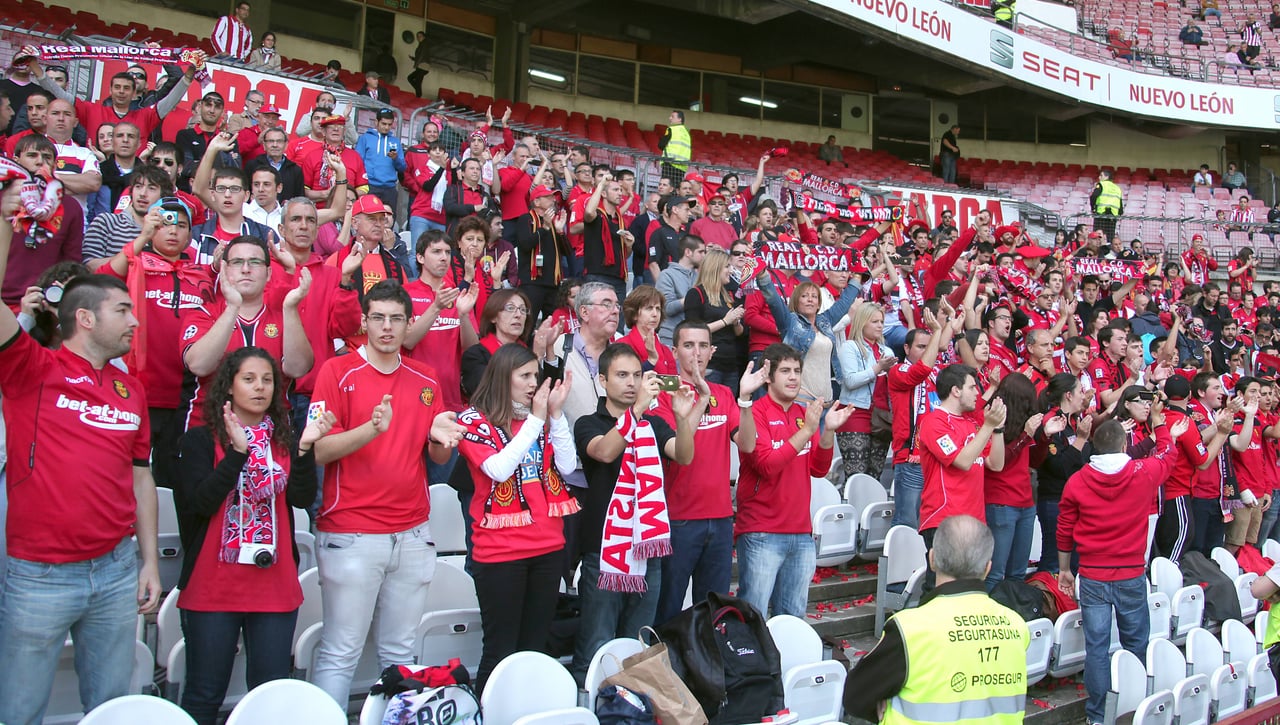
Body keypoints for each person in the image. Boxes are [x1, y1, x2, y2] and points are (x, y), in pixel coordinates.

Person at [0, 246, 161, 724]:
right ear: (85, 318)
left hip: (114, 571)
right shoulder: (33, 369)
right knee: (19, 711)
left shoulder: (131, 388)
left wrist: (149, 561)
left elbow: (141, 476)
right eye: (124, 309)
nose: (135, 320)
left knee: (110, 710)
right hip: (39, 574)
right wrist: (9, 215)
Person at [307, 280, 465, 706]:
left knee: (400, 653)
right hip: (352, 533)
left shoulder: (425, 377)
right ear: (364, 321)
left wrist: (440, 440)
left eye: (397, 318)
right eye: (378, 317)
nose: (387, 327)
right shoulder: (336, 372)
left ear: (409, 323)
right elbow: (319, 450)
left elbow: (433, 452)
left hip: (413, 533)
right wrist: (372, 429)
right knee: (341, 652)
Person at [173, 348, 331, 725]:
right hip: (213, 585)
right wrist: (237, 455)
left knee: (270, 696)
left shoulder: (283, 439)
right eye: (249, 379)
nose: (260, 388)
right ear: (228, 386)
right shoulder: (199, 439)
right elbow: (199, 503)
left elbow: (300, 498)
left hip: (273, 585)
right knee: (204, 694)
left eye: (267, 380)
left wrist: (305, 449)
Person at [571, 343, 701, 682]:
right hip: (605, 547)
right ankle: (591, 706)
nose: (632, 383)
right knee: (597, 641)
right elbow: (604, 451)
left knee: (637, 643)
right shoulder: (589, 422)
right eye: (622, 375)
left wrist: (684, 420)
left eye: (638, 375)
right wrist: (638, 411)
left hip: (647, 547)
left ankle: (631, 709)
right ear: (602, 380)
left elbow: (684, 456)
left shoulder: (654, 424)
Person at [458, 344, 576, 692]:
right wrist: (537, 420)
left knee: (535, 649)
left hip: (548, 547)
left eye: (534, 376)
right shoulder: (473, 420)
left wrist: (555, 416)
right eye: (524, 376)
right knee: (500, 650)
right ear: (501, 377)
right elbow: (498, 468)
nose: (532, 383)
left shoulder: (536, 419)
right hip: (500, 554)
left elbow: (568, 466)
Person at [1057, 413, 1187, 725]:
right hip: (1129, 574)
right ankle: (1134, 710)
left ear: (1094, 447)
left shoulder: (1078, 480)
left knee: (1097, 649)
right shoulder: (1143, 472)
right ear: (1125, 444)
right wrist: (1160, 425)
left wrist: (1064, 568)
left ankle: (1097, 717)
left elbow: (1064, 529)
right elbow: (1169, 454)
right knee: (1135, 645)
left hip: (1092, 575)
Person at [843, 515, 1029, 723]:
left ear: (932, 559)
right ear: (988, 568)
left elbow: (854, 697)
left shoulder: (911, 629)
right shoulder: (1017, 626)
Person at [652, 321, 765, 624]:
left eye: (703, 346)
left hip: (719, 516)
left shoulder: (723, 393)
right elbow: (677, 446)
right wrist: (700, 400)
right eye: (688, 346)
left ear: (713, 351)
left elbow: (749, 444)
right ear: (674, 351)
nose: (697, 354)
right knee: (668, 607)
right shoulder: (664, 390)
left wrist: (744, 401)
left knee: (713, 612)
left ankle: (707, 668)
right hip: (679, 518)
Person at [736, 343, 854, 618]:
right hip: (761, 532)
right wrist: (809, 430)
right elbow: (766, 465)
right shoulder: (755, 414)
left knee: (792, 619)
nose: (793, 378)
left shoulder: (803, 415)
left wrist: (827, 432)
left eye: (797, 371)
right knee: (754, 618)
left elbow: (818, 469)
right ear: (768, 377)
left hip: (801, 533)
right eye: (785, 371)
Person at [918, 364, 1007, 588]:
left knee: (972, 588)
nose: (978, 393)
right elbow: (962, 461)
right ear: (956, 391)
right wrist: (988, 425)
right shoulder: (933, 422)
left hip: (975, 520)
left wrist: (997, 430)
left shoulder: (971, 424)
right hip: (944, 518)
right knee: (940, 588)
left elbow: (996, 464)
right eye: (972, 387)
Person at [756, 265, 863, 404]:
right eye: (805, 296)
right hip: (801, 400)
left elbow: (845, 301)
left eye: (814, 296)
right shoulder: (790, 322)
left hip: (827, 400)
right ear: (796, 300)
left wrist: (858, 275)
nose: (810, 299)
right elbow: (774, 300)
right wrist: (763, 275)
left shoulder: (825, 321)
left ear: (819, 303)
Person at [836, 301, 897, 482]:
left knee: (875, 476)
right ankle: (853, 510)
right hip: (855, 413)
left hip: (881, 416)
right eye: (874, 321)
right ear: (862, 322)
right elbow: (851, 381)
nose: (880, 326)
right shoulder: (849, 347)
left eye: (881, 321)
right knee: (856, 476)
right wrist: (879, 367)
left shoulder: (887, 350)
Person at [683, 247, 747, 395]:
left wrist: (736, 321)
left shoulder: (728, 295)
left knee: (728, 410)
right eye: (727, 266)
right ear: (715, 268)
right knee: (710, 409)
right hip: (710, 364)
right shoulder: (696, 294)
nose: (731, 270)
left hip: (731, 363)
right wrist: (725, 321)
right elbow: (693, 331)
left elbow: (739, 333)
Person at [355, 109, 405, 219]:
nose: (387, 127)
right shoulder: (365, 138)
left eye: (389, 124)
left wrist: (395, 158)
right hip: (370, 187)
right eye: (384, 123)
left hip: (390, 188)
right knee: (367, 219)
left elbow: (402, 167)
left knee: (388, 221)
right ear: (376, 122)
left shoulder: (395, 141)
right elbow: (358, 162)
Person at [655, 235, 705, 346]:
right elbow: (666, 308)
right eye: (700, 252)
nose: (704, 256)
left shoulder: (698, 277)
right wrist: (692, 298)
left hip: (693, 337)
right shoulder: (666, 275)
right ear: (688, 252)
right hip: (671, 337)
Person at [619, 285, 675, 374]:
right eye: (649, 308)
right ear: (634, 314)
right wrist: (651, 361)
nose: (655, 314)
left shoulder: (667, 352)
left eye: (658, 309)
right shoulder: (621, 346)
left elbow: (673, 386)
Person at [657, 110, 691, 185]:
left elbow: (661, 145)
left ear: (680, 119)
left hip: (670, 164)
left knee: (666, 189)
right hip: (682, 167)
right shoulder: (687, 133)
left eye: (672, 116)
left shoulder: (671, 129)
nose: (670, 118)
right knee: (676, 189)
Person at [1090, 169, 1123, 243]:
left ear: (1107, 177)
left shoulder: (1101, 184)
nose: (1099, 177)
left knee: (1097, 235)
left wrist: (1093, 208)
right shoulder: (1117, 188)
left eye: (1101, 175)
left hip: (1101, 214)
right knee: (1110, 236)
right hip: (1113, 216)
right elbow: (1120, 204)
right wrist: (1119, 214)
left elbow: (1093, 196)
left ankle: (1096, 251)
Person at [407, 31, 431, 97]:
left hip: (423, 66)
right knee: (413, 80)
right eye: (417, 36)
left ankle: (418, 96)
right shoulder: (422, 44)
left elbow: (422, 55)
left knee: (416, 81)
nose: (418, 38)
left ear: (424, 37)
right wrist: (413, 58)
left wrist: (416, 64)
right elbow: (420, 56)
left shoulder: (424, 44)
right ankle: (418, 93)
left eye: (420, 36)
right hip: (421, 65)